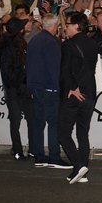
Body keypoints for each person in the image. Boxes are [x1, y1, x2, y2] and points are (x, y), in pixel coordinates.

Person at [26, 13, 72, 169]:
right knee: (53, 123)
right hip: (49, 87)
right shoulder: (51, 42)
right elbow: (54, 68)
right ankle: (54, 156)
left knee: (38, 123)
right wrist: (58, 88)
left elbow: (28, 65)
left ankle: (39, 156)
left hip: (36, 87)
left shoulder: (34, 40)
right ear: (55, 25)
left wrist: (31, 86)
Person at [58, 12, 99, 184]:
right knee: (83, 133)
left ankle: (77, 164)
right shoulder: (92, 44)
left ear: (76, 26)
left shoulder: (69, 44)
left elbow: (65, 70)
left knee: (62, 132)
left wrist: (73, 88)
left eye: (67, 24)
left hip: (74, 94)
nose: (64, 27)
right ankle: (81, 170)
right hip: (90, 93)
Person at [0, 17, 34, 160]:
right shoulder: (7, 46)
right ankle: (17, 150)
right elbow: (9, 72)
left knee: (31, 119)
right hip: (14, 90)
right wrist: (24, 74)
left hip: (22, 89)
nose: (24, 28)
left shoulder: (19, 44)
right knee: (16, 121)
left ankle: (32, 149)